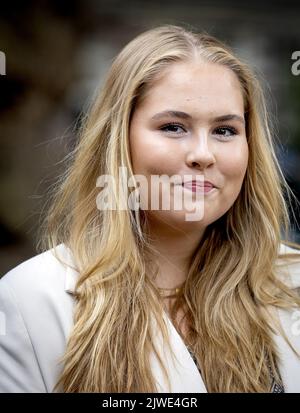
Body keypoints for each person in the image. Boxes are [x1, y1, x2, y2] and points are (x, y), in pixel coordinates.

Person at [0, 23, 300, 393]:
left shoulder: (293, 284)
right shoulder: (30, 300)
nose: (203, 154)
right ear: (118, 141)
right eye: (173, 127)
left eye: (224, 131)